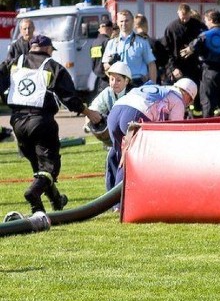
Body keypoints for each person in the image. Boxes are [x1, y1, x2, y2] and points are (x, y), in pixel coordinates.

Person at [1, 35, 101, 213]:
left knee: (39, 169)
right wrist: (89, 113)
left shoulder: (14, 63)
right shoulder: (52, 66)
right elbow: (69, 98)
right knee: (50, 167)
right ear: (48, 49)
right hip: (41, 122)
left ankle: (54, 202)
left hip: (17, 122)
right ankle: (33, 194)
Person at [105, 78, 197, 191]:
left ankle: (109, 197)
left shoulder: (159, 88)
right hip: (135, 114)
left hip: (115, 111)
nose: (188, 104)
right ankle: (120, 201)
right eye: (190, 100)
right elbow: (174, 130)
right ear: (187, 94)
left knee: (117, 153)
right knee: (129, 158)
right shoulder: (178, 99)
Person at [181, 10, 220, 118]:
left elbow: (195, 44)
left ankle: (207, 127)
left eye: (206, 20)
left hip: (209, 73)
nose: (206, 23)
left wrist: (189, 49)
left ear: (211, 20)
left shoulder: (205, 35)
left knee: (208, 104)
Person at [161, 3, 204, 112]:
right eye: (182, 17)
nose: (184, 20)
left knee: (197, 98)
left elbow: (205, 42)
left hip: (195, 68)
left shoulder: (198, 26)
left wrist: (193, 49)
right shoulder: (171, 28)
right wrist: (172, 69)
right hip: (178, 69)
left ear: (190, 13)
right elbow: (167, 52)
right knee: (178, 97)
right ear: (178, 13)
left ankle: (196, 119)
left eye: (186, 17)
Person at [102, 10, 157, 88]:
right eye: (121, 21)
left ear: (132, 22)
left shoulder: (142, 42)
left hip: (138, 84)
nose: (124, 24)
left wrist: (153, 86)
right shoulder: (111, 43)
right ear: (117, 22)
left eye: (126, 21)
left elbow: (151, 65)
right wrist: (109, 65)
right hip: (119, 84)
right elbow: (105, 65)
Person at [86, 61, 132, 150]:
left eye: (118, 80)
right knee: (111, 160)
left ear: (126, 81)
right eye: (112, 79)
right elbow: (94, 108)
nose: (114, 83)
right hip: (115, 134)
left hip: (131, 133)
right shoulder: (107, 92)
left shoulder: (132, 94)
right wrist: (89, 120)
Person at [88, 18, 114, 95]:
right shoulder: (108, 42)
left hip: (98, 81)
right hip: (109, 79)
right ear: (110, 29)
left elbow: (94, 62)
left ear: (100, 29)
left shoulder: (94, 43)